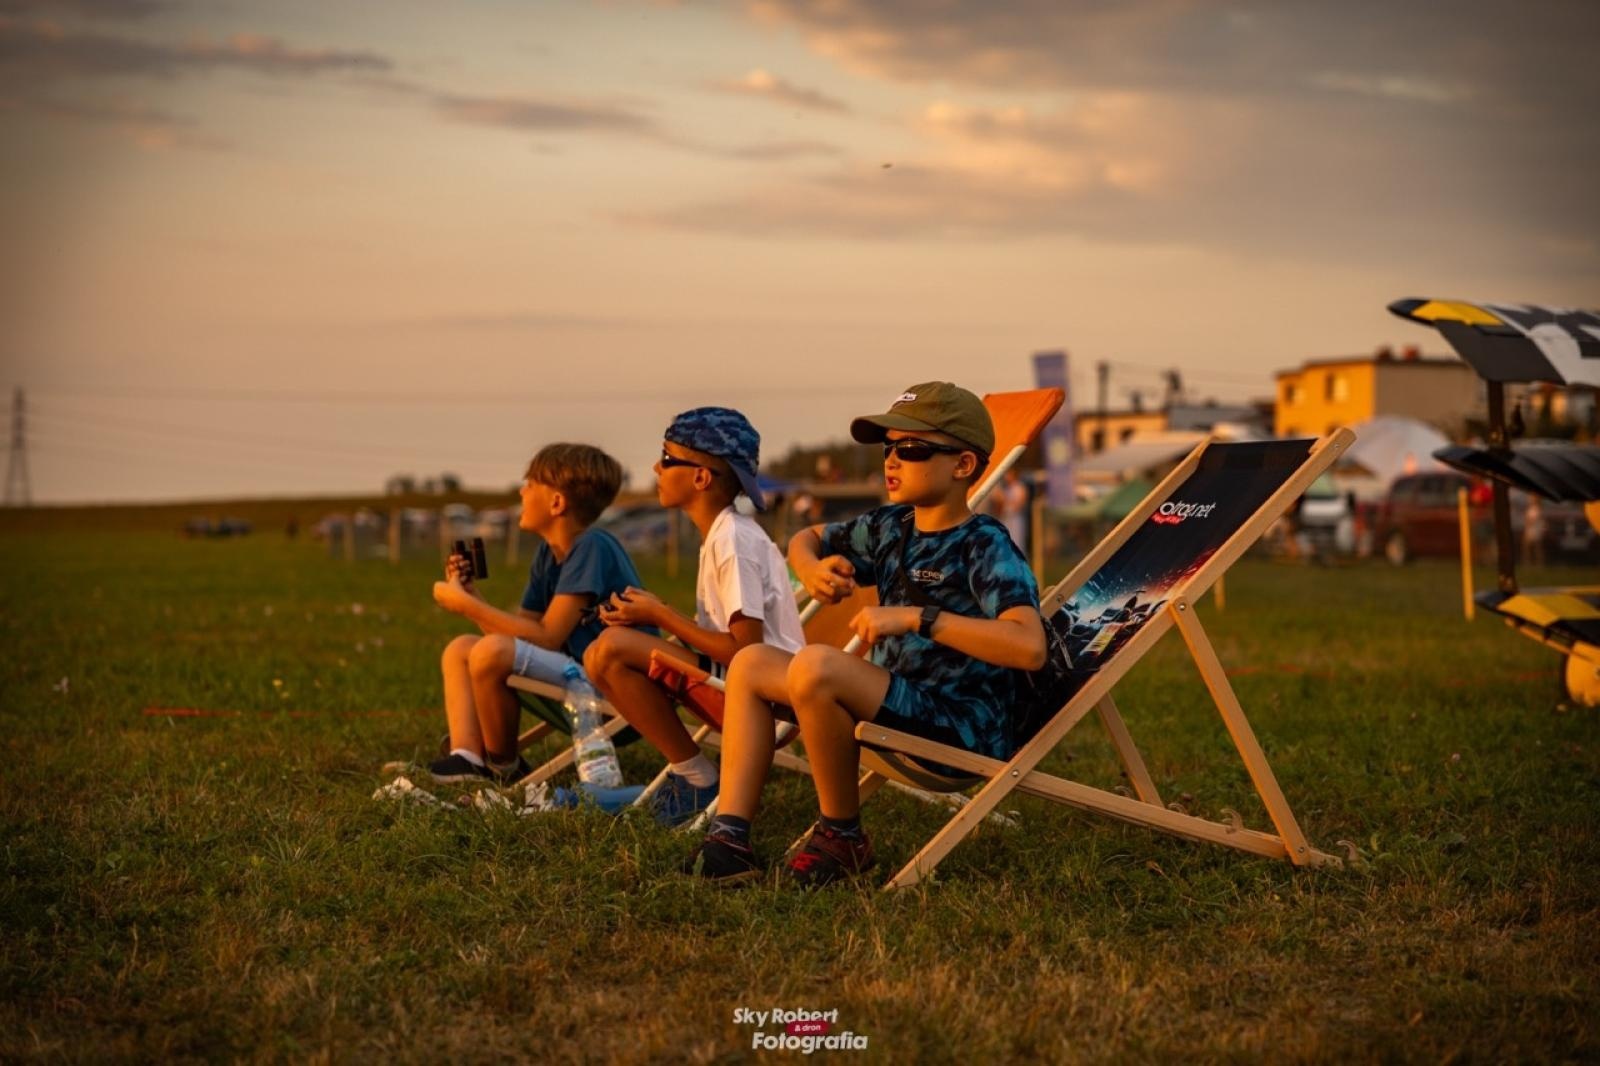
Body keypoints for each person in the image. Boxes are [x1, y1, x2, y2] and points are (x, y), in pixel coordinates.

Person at [684, 382, 1046, 887]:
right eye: (889, 448)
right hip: (900, 704)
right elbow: (805, 537)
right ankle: (730, 835)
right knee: (751, 663)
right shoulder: (890, 526)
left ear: (963, 465)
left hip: (962, 725)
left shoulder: (983, 544)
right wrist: (809, 567)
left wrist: (918, 618)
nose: (892, 461)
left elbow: (1028, 646)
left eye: (913, 449)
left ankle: (842, 835)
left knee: (816, 665)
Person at [583, 407, 805, 825]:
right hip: (746, 688)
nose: (655, 467)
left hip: (767, 704)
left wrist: (663, 616)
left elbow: (747, 650)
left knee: (609, 651)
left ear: (701, 477)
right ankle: (695, 775)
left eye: (667, 459)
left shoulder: (733, 541)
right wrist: (648, 617)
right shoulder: (722, 535)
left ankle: (698, 779)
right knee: (607, 651)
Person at [428, 443, 645, 786]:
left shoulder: (592, 547)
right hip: (576, 677)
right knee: (461, 650)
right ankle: (467, 756)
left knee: (491, 651)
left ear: (556, 502)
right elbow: (522, 632)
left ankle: (503, 766)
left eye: (529, 484)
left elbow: (547, 637)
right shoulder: (549, 553)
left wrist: (465, 605)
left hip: (620, 695)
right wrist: (473, 596)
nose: (521, 491)